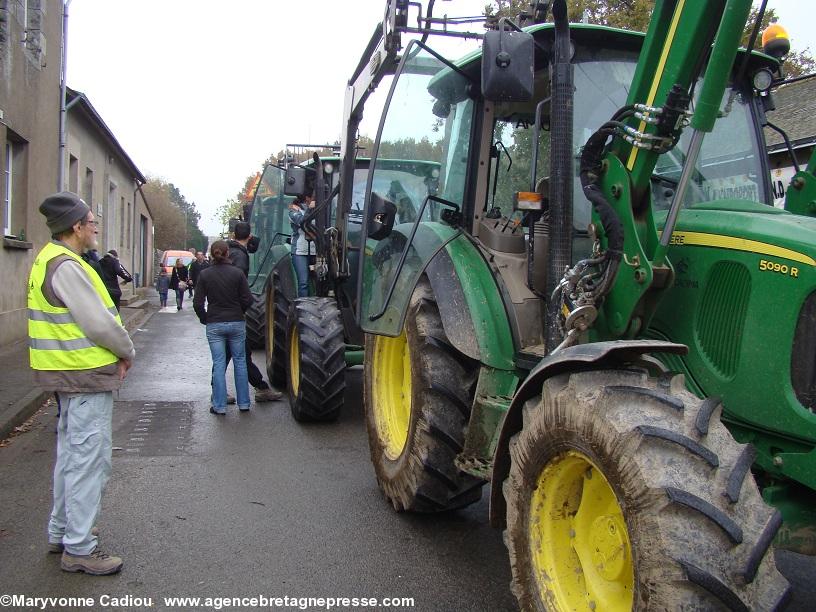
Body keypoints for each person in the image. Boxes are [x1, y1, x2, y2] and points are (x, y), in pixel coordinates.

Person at [28, 191, 134, 575]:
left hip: (66, 374)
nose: (95, 228)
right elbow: (99, 323)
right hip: (85, 376)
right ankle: (80, 548)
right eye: (91, 222)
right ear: (75, 227)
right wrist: (127, 350)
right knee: (90, 461)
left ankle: (61, 533)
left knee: (71, 457)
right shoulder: (69, 266)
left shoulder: (48, 260)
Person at [193, 240, 253, 414]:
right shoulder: (237, 274)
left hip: (214, 323)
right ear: (228, 253)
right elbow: (248, 299)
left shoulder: (205, 275)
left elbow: (198, 303)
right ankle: (244, 404)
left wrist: (205, 318)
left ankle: (219, 406)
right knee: (240, 362)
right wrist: (238, 312)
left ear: (212, 254)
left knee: (219, 363)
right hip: (236, 322)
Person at [227, 222, 282, 402]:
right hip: (233, 315)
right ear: (250, 237)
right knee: (238, 353)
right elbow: (239, 286)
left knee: (226, 355)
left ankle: (258, 387)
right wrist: (245, 305)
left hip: (220, 315)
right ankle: (260, 388)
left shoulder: (228, 253)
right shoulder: (240, 257)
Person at [288, 194, 315, 298]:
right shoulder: (293, 211)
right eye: (311, 196)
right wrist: (310, 209)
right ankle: (303, 308)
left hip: (317, 250)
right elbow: (302, 222)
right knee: (303, 283)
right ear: (305, 197)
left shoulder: (320, 209)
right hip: (300, 252)